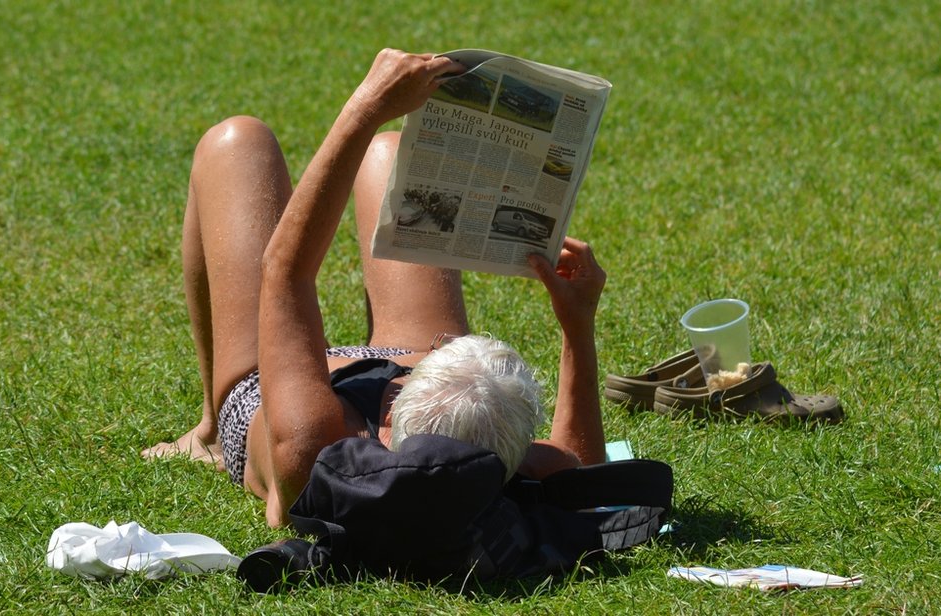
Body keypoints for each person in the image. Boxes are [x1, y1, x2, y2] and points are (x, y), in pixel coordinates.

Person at [142, 49, 608, 528]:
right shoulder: (499, 464)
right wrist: (578, 325)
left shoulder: (316, 455)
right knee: (391, 154)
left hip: (266, 390)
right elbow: (588, 476)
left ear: (388, 421)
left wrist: (368, 104)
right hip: (420, 383)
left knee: (237, 144)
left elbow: (284, 271)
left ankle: (214, 432)